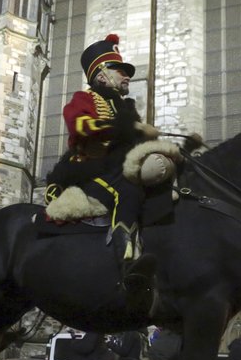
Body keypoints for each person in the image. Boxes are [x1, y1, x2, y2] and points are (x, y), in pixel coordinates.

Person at [45, 33, 158, 290]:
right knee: (128, 189)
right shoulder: (83, 99)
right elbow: (80, 126)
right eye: (120, 70)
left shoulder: (127, 108)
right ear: (102, 75)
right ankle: (125, 256)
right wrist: (125, 126)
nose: (127, 75)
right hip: (88, 171)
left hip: (118, 166)